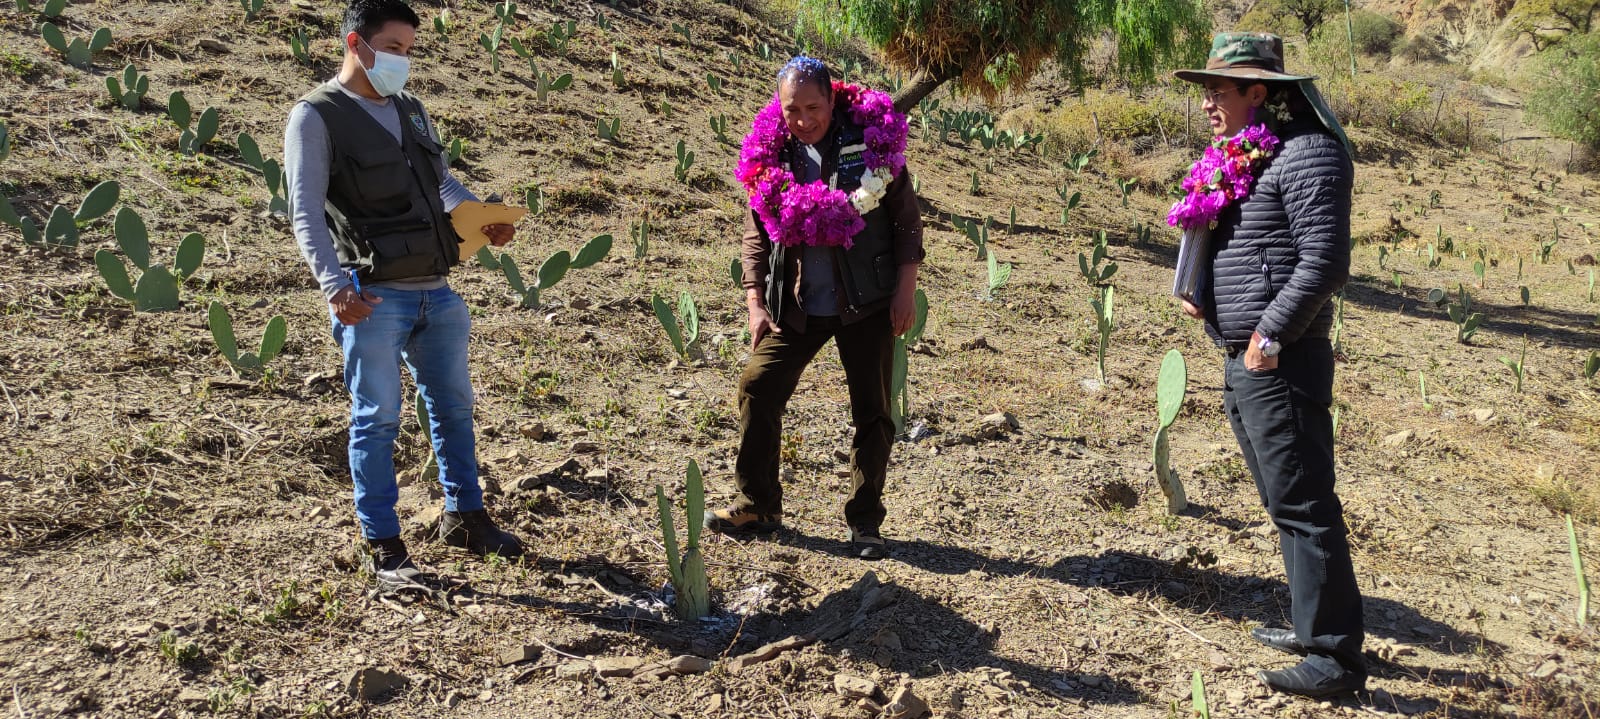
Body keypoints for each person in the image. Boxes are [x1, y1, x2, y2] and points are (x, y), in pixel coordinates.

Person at [284, 0, 522, 589]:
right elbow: (305, 212)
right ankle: (383, 544)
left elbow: (440, 182)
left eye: (409, 52)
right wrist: (334, 285)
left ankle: (465, 516)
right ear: (354, 44)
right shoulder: (315, 117)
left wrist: (482, 217)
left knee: (455, 410)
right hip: (373, 298)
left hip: (437, 293)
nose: (402, 62)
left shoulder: (412, 111)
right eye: (392, 49)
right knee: (378, 419)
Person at [1169, 33, 1365, 698]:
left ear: (1260, 91)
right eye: (1205, 92)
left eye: (1218, 91)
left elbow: (1325, 262)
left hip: (1280, 357)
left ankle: (1335, 660)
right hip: (1244, 354)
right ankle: (1312, 625)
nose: (1207, 104)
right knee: (1286, 501)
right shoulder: (1250, 158)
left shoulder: (1308, 154)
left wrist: (1270, 334)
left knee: (1306, 503)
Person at [707, 57, 923, 560]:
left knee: (872, 410)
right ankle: (757, 503)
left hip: (866, 301)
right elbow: (755, 234)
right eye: (792, 110)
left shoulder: (872, 143)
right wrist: (755, 302)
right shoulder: (771, 154)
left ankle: (865, 521)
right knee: (759, 385)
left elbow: (906, 222)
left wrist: (905, 290)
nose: (803, 120)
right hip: (797, 302)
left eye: (813, 107)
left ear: (832, 100)